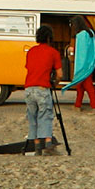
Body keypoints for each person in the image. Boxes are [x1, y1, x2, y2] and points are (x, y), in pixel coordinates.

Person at [24, 25, 63, 154]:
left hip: (29, 89)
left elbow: (30, 68)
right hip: (42, 88)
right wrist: (55, 83)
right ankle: (47, 143)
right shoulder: (53, 52)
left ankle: (37, 147)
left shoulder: (31, 51)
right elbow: (60, 74)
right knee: (45, 116)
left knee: (33, 117)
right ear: (49, 38)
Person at [67, 15, 95, 111]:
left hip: (82, 66)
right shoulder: (90, 33)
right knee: (81, 86)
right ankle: (77, 105)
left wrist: (78, 68)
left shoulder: (81, 35)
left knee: (86, 86)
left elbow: (81, 54)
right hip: (89, 64)